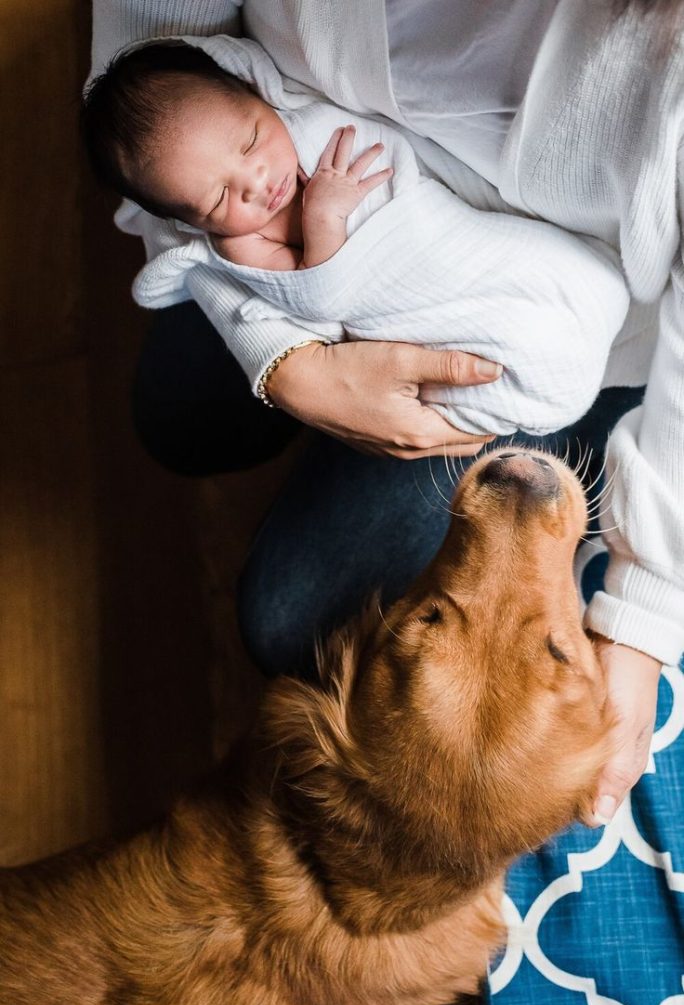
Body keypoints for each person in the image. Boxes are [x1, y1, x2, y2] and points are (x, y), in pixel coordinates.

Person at [90, 0, 682, 862]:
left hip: (552, 318)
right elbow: (144, 95)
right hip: (287, 256)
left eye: (254, 145)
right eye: (228, 182)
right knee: (177, 414)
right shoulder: (239, 146)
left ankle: (547, 425)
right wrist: (285, 359)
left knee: (291, 620)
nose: (254, 175)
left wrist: (642, 610)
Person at [82, 38, 628, 440]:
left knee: (581, 283)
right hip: (401, 308)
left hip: (446, 235)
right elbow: (319, 300)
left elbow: (403, 165)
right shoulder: (239, 247)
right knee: (174, 425)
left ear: (254, 90)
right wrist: (323, 222)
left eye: (251, 141)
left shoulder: (307, 124)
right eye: (219, 198)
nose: (255, 183)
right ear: (190, 224)